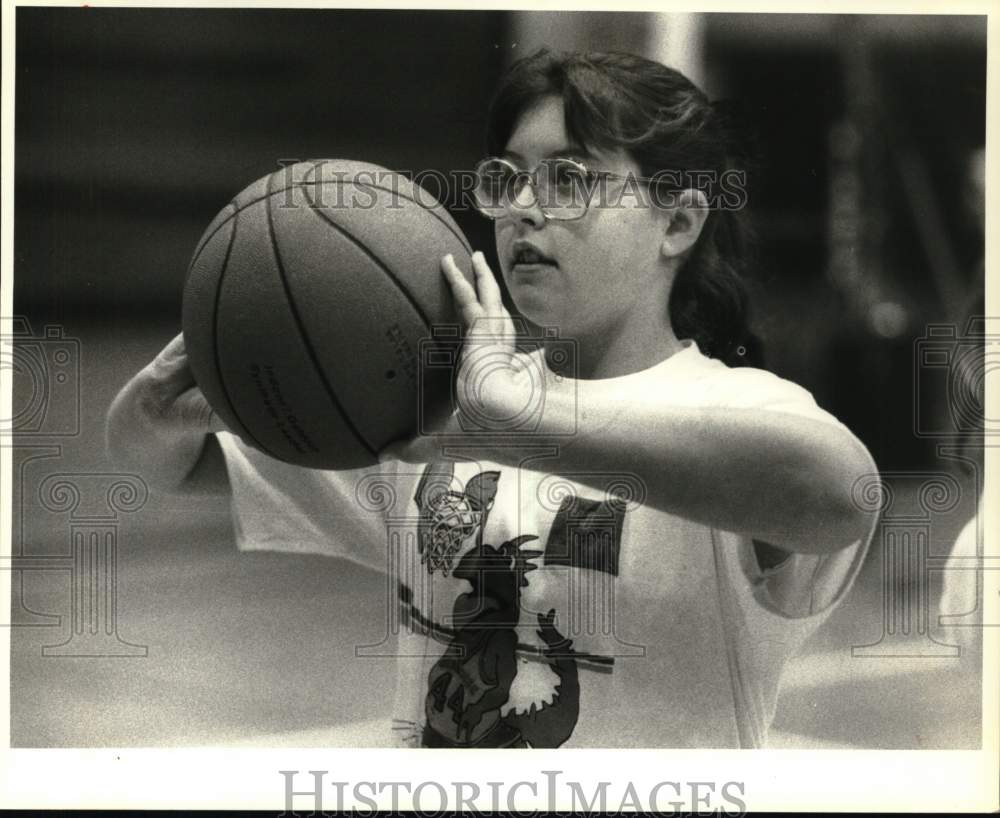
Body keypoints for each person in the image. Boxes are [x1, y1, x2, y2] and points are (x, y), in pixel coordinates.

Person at [106, 49, 881, 748]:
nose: (522, 208)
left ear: (677, 220)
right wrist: (148, 416)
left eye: (570, 179)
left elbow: (841, 491)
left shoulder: (734, 409)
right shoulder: (440, 409)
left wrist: (523, 427)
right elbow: (162, 464)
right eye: (507, 178)